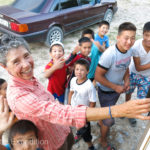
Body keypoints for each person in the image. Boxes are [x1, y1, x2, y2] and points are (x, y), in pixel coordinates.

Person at [1, 40, 150, 150]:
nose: (26, 64)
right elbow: (56, 111)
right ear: (4, 66)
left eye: (26, 56)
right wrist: (118, 110)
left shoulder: (28, 79)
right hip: (52, 144)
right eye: (16, 62)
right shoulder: (18, 95)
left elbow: (55, 106)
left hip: (64, 129)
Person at [95, 22, 137, 150]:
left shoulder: (129, 51)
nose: (129, 41)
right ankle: (103, 141)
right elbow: (98, 77)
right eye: (126, 37)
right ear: (118, 37)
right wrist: (115, 87)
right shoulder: (110, 54)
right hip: (106, 92)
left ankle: (100, 121)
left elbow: (125, 68)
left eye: (133, 38)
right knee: (109, 120)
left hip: (116, 89)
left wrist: (126, 81)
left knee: (106, 114)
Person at [68, 59, 97, 150]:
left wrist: (87, 116)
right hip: (74, 110)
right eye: (77, 69)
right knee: (77, 125)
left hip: (83, 113)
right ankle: (78, 133)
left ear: (87, 71)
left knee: (86, 132)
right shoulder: (73, 80)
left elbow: (93, 102)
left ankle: (90, 145)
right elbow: (71, 92)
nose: (79, 72)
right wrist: (69, 105)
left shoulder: (89, 86)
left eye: (82, 70)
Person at [125, 21, 150, 127]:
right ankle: (126, 109)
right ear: (143, 34)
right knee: (129, 92)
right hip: (133, 73)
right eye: (147, 35)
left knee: (141, 99)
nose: (149, 39)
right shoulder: (136, 46)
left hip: (147, 76)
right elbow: (138, 67)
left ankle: (132, 114)